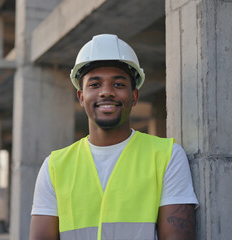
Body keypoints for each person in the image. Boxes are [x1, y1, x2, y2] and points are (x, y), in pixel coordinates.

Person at [30, 34, 198, 240]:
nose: (106, 92)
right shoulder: (55, 167)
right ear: (81, 97)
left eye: (118, 84)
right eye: (94, 84)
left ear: (134, 96)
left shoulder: (167, 156)